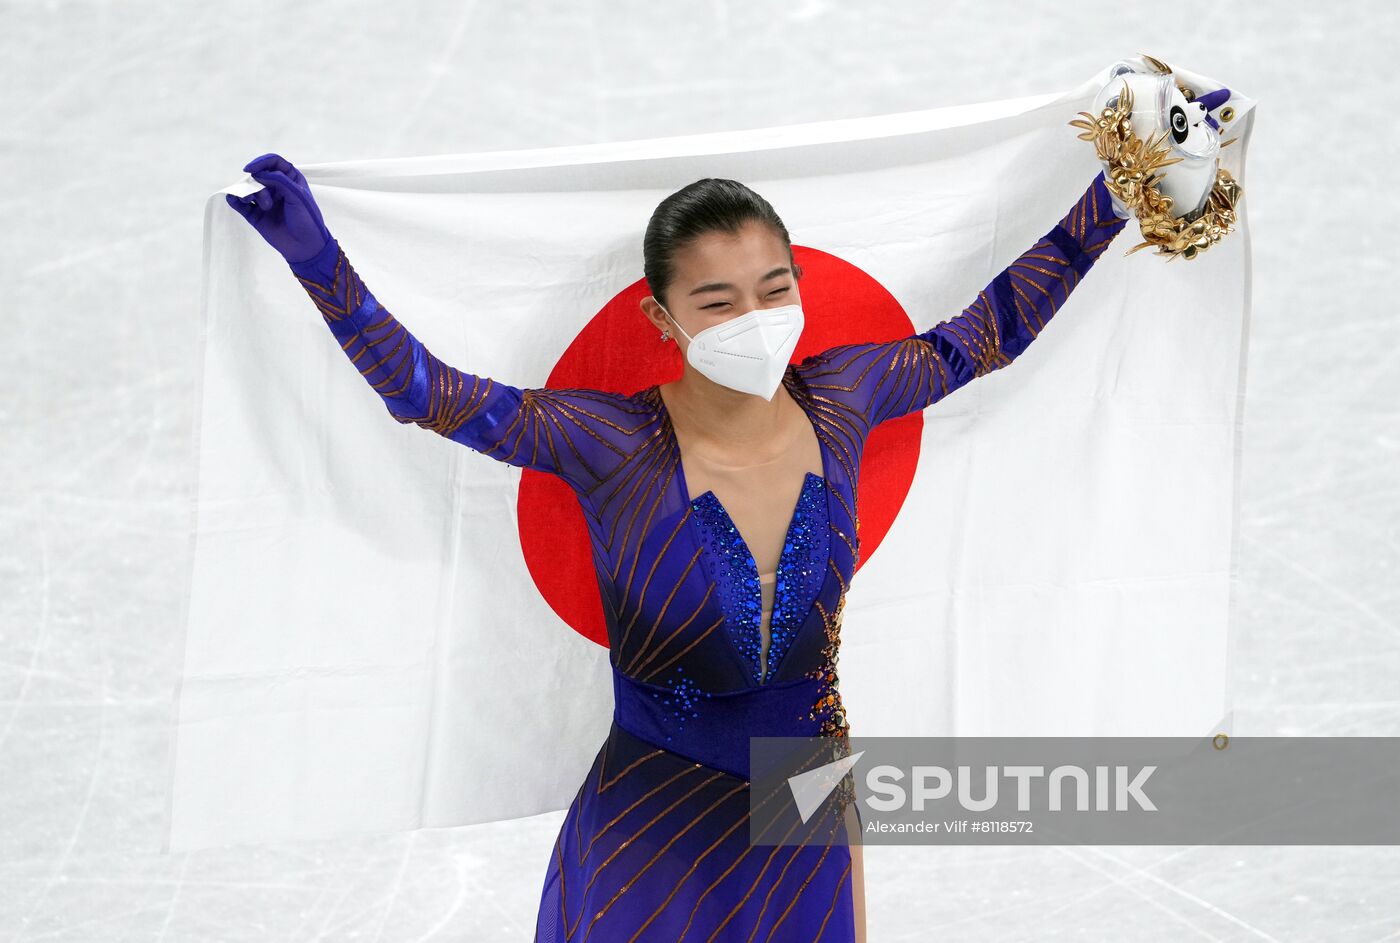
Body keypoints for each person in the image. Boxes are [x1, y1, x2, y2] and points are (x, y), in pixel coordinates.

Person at [227, 149, 1128, 942]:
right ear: (665, 320)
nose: (756, 314)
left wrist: (1121, 189)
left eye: (775, 288)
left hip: (804, 807)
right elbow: (437, 395)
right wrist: (319, 263)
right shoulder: (607, 440)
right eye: (717, 300)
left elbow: (986, 333)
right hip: (653, 826)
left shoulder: (847, 396)